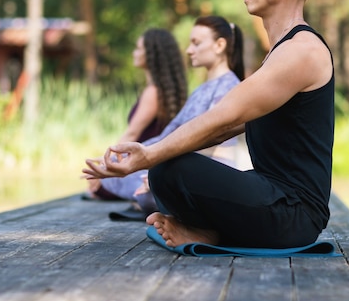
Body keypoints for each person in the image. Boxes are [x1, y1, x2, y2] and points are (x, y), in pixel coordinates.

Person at [83, 0, 334, 249]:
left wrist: (150, 155)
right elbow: (225, 129)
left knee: (168, 168)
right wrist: (155, 156)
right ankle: (207, 232)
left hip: (294, 214)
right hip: (272, 198)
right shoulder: (281, 53)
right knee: (166, 168)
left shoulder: (302, 50)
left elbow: (225, 116)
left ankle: (210, 232)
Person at [93, 15, 246, 213]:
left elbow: (210, 142)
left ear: (219, 45)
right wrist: (119, 159)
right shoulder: (200, 90)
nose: (189, 50)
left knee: (144, 187)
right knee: (116, 175)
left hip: (207, 170)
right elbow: (168, 135)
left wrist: (165, 171)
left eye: (196, 43)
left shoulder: (230, 87)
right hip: (181, 163)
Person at [82, 28, 188, 200]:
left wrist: (105, 165)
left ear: (152, 55)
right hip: (149, 165)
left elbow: (132, 133)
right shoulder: (163, 91)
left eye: (139, 48)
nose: (134, 53)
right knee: (96, 185)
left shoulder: (153, 92)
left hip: (141, 168)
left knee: (97, 185)